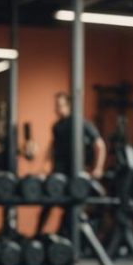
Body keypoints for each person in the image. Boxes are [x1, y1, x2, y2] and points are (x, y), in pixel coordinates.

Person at [35, 92, 106, 236]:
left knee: (73, 208)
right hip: (58, 173)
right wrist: (45, 164)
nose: (56, 108)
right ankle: (37, 236)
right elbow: (53, 147)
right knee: (47, 204)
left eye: (59, 105)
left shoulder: (81, 122)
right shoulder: (56, 126)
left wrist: (98, 168)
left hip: (75, 173)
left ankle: (64, 239)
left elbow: (100, 144)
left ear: (68, 106)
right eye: (56, 105)